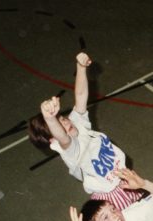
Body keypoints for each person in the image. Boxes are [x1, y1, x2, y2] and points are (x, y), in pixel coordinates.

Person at [28, 52, 142, 210]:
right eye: (58, 124)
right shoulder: (71, 150)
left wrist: (80, 67)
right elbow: (64, 138)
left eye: (61, 118)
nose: (64, 121)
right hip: (110, 194)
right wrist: (50, 118)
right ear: (53, 140)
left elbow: (81, 96)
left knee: (143, 211)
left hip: (121, 177)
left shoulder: (77, 123)